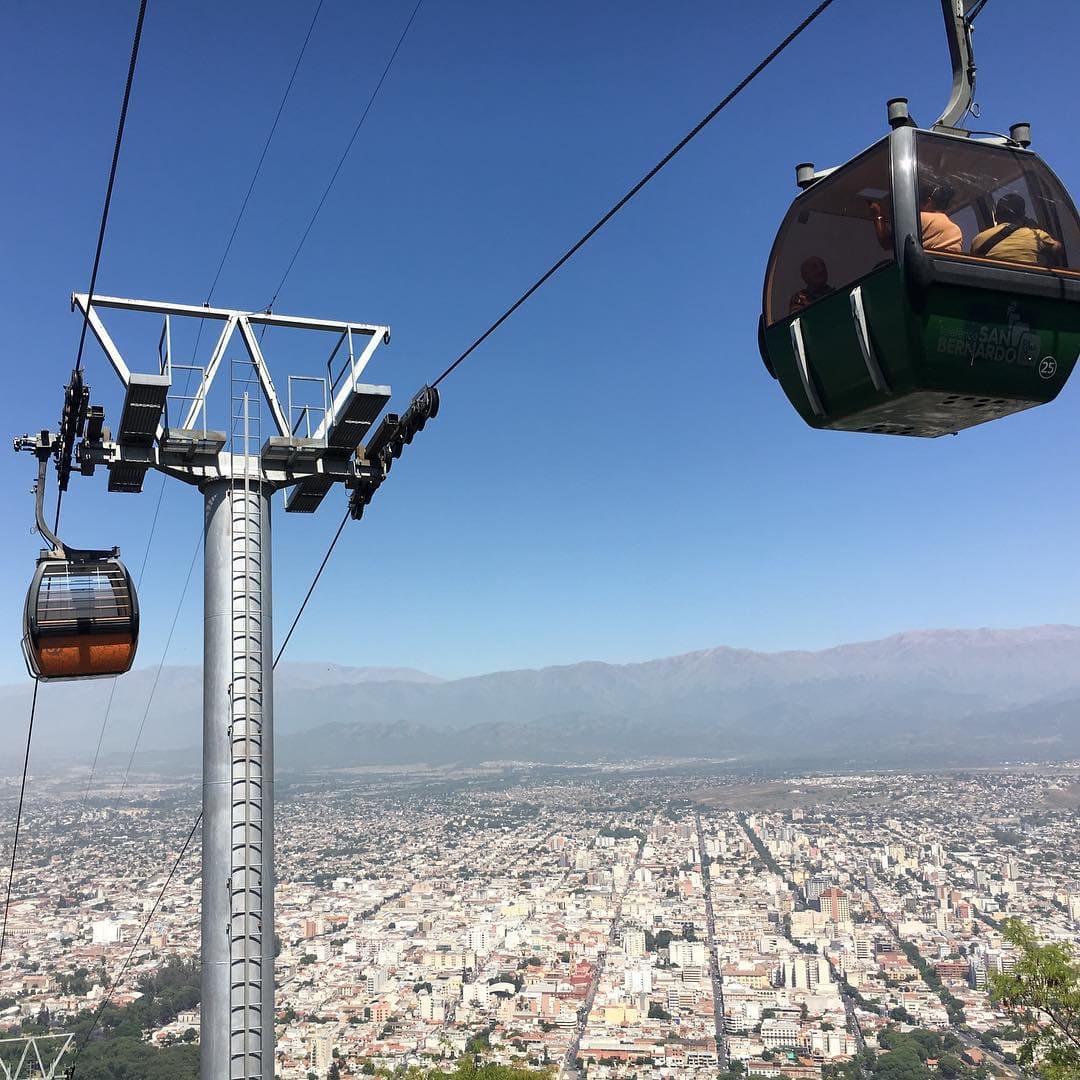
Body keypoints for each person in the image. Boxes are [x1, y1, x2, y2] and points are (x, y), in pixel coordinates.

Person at [970, 192, 1064, 266]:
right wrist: (1036, 226)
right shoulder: (1036, 235)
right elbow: (1058, 247)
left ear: (995, 216)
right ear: (1023, 216)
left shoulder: (978, 239)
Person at [869, 181, 962, 253]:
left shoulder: (919, 219)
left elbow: (886, 242)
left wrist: (877, 215)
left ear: (929, 201)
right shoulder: (956, 230)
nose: (918, 207)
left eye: (920, 202)